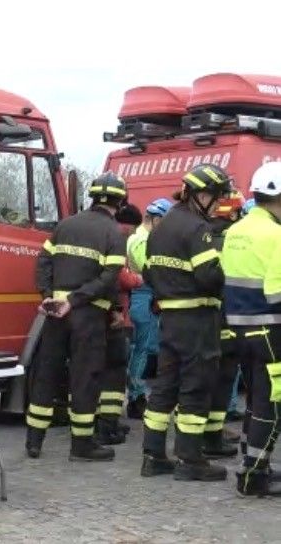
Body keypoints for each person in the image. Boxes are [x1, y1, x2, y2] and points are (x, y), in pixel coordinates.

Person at [26, 171, 128, 461]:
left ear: (93, 198)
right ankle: (82, 445)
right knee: (85, 377)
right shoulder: (114, 234)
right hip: (88, 315)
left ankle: (34, 441)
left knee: (47, 373)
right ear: (120, 202)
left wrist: (48, 295)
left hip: (55, 312)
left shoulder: (65, 224)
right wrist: (85, 302)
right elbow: (110, 278)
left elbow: (44, 261)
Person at [140, 163, 232, 481]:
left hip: (169, 319)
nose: (218, 205)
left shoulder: (161, 227)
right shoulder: (198, 229)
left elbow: (148, 273)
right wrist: (226, 274)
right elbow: (209, 277)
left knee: (164, 386)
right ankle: (190, 460)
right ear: (201, 195)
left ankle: (153, 456)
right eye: (217, 197)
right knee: (196, 386)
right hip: (198, 320)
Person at [221, 162, 281, 496]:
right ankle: (254, 476)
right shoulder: (276, 234)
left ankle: (253, 464)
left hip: (239, 329)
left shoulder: (237, 230)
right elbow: (276, 292)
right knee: (271, 405)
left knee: (256, 402)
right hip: (270, 330)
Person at [202, 191, 246, 459]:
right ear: (233, 212)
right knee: (223, 378)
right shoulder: (235, 239)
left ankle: (201, 435)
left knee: (201, 378)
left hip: (202, 319)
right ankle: (213, 437)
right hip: (229, 318)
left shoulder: (201, 234)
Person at [97, 203, 143, 445]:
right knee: (114, 369)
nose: (133, 233)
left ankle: (107, 420)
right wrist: (138, 279)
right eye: (132, 228)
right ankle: (107, 424)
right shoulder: (114, 241)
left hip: (107, 312)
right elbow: (120, 278)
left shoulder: (105, 237)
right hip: (114, 314)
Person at [126, 197, 173, 419]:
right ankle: (136, 398)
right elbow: (149, 270)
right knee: (142, 349)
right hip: (144, 296)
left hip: (146, 297)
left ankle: (139, 395)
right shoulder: (141, 240)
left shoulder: (143, 238)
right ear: (155, 219)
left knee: (147, 348)